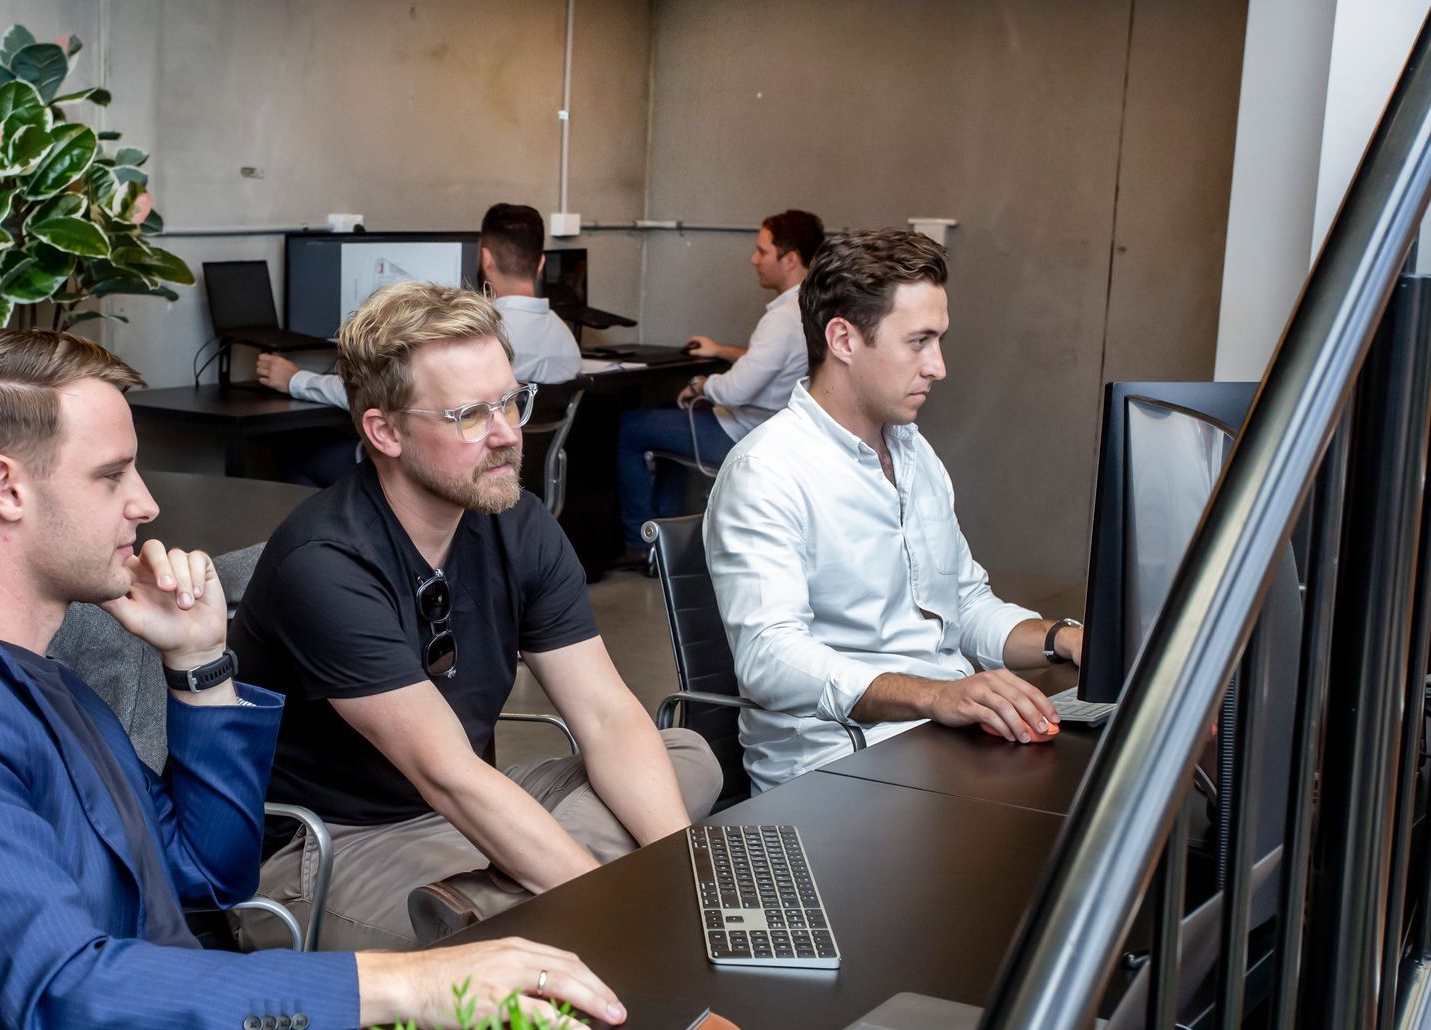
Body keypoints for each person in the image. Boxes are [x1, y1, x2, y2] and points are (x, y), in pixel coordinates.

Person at [0, 328, 626, 1030]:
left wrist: (199, 669)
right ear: (6, 489)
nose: (145, 504)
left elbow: (210, 874)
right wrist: (404, 982)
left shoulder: (34, 676)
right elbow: (63, 995)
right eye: (112, 476)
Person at [230, 281, 721, 951]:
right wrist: (611, 914)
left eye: (511, 401)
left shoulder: (517, 522)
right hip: (328, 843)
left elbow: (607, 716)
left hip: (461, 809)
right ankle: (520, 897)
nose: (508, 434)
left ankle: (499, 894)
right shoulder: (326, 563)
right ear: (385, 430)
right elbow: (447, 773)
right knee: (536, 911)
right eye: (469, 415)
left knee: (685, 755)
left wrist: (690, 881)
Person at [702, 228, 1085, 793]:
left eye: (939, 341)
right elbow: (769, 658)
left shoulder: (912, 451)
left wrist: (1065, 639)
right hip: (837, 766)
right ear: (843, 339)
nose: (938, 367)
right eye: (918, 342)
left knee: (1110, 793)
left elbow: (964, 606)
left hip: (941, 737)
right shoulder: (768, 470)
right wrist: (934, 695)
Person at [615, 209, 824, 565]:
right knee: (666, 415)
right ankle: (664, 542)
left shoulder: (781, 319)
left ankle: (639, 543)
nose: (754, 259)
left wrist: (701, 385)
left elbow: (735, 391)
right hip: (771, 429)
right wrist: (720, 351)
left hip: (738, 432)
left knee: (629, 428)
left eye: (762, 251)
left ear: (789, 259)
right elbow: (771, 360)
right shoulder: (811, 308)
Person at [256, 203, 582, 410]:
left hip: (450, 479)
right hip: (519, 479)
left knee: (300, 460)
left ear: (484, 259)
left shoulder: (475, 338)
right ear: (541, 264)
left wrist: (296, 379)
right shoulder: (567, 342)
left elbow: (380, 394)